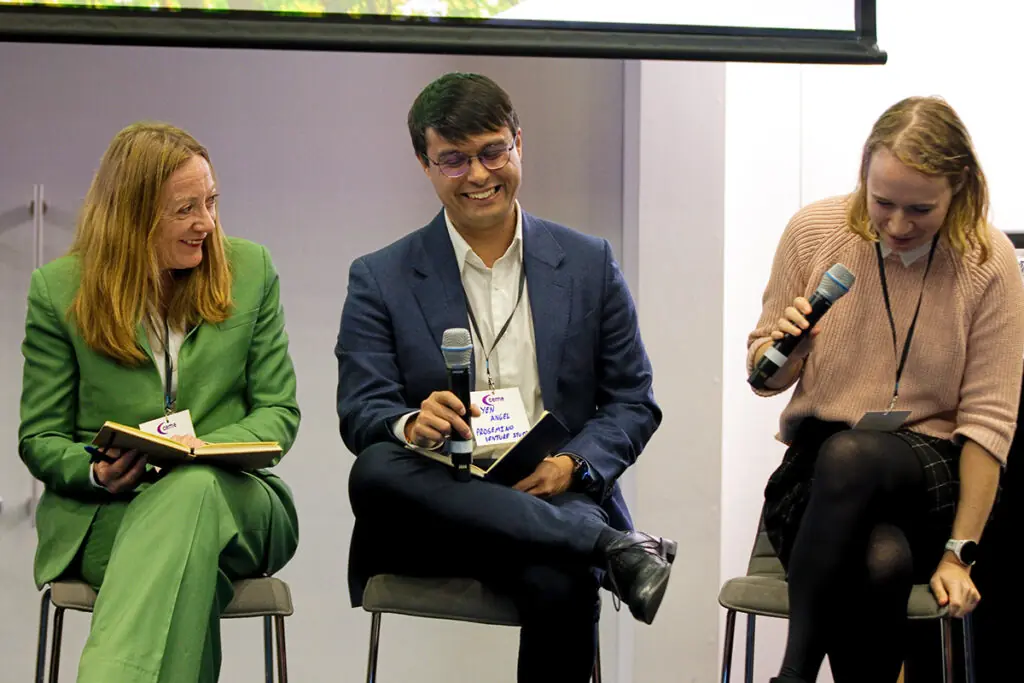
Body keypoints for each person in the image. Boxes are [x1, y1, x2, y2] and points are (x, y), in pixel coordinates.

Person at [336, 72, 675, 683]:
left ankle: (583, 542)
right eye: (454, 160)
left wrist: (573, 465)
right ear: (425, 164)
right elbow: (362, 410)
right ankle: (607, 546)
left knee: (561, 579)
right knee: (376, 469)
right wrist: (412, 423)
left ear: (520, 141)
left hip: (546, 488)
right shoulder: (380, 277)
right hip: (436, 508)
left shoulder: (588, 262)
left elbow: (633, 401)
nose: (479, 174)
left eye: (494, 151)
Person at [748, 96, 1024, 683]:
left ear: (960, 192)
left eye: (920, 209)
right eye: (883, 203)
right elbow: (762, 379)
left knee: (857, 454)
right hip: (820, 480)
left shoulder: (988, 260)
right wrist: (788, 350)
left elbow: (989, 423)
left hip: (932, 475)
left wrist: (959, 554)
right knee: (882, 558)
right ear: (863, 178)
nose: (898, 226)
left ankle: (792, 676)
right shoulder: (813, 232)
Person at [18, 122, 300, 683]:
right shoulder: (59, 291)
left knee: (192, 486)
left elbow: (278, 413)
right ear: (132, 215)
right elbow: (40, 438)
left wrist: (202, 449)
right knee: (188, 579)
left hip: (239, 506)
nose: (206, 224)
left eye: (212, 202)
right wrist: (96, 471)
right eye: (185, 209)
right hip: (111, 516)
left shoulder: (251, 271)